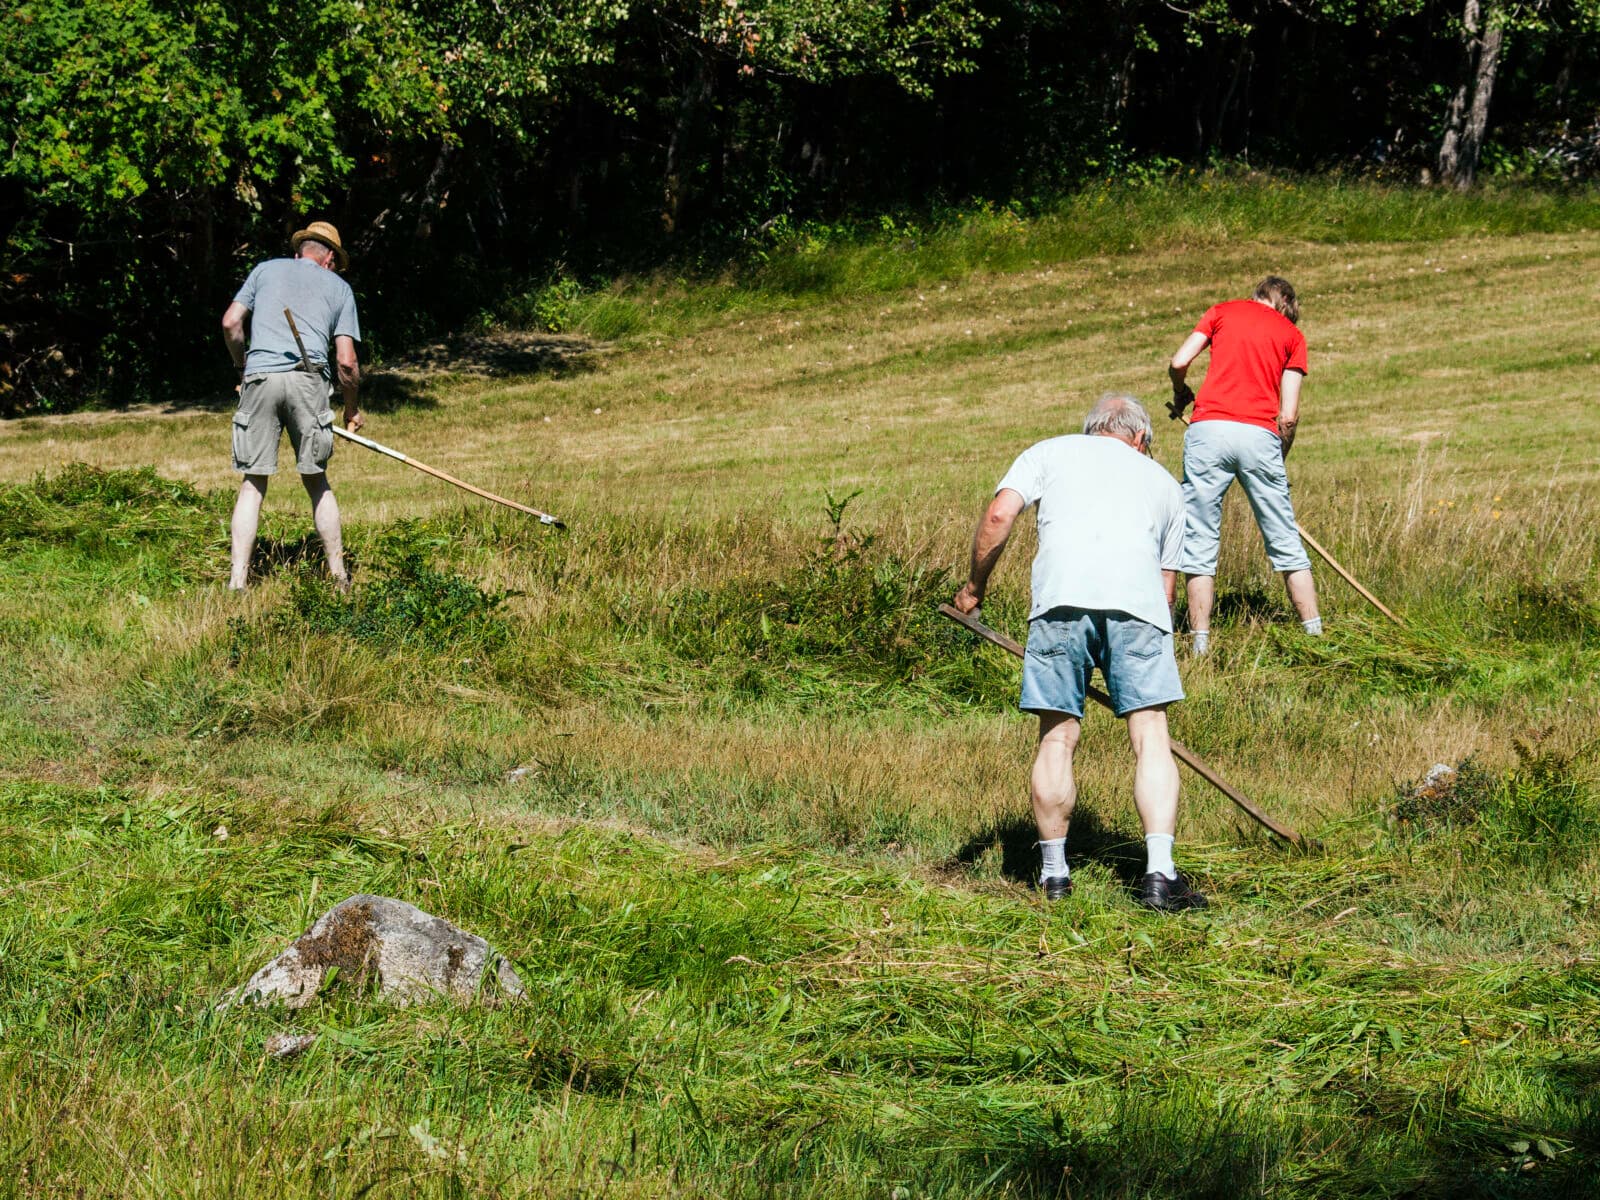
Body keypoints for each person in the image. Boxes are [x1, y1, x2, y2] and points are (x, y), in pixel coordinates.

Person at [952, 394, 1206, 911]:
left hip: (1059, 604)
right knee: (1151, 736)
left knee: (1058, 736)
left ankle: (1054, 876)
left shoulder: (1049, 452)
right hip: (1138, 607)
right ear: (1140, 439)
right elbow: (1167, 589)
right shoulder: (1162, 483)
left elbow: (1001, 513)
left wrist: (974, 588)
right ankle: (1159, 876)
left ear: (1093, 430)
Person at [1167, 275, 1320, 655]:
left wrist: (1179, 391)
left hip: (1208, 431)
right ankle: (1315, 635)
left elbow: (1179, 361)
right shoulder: (1291, 336)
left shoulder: (1221, 312)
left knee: (1200, 538)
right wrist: (1277, 457)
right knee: (1284, 537)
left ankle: (1200, 642)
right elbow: (1288, 416)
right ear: (1286, 304)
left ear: (1257, 295)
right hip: (1259, 435)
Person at [220, 220, 364, 590]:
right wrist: (351, 409)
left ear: (300, 250)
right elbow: (346, 363)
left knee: (253, 482)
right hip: (307, 381)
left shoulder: (263, 270)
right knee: (316, 480)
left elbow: (231, 323)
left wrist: (242, 366)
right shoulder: (340, 288)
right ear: (330, 257)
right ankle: (338, 576)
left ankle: (238, 583)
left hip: (260, 378)